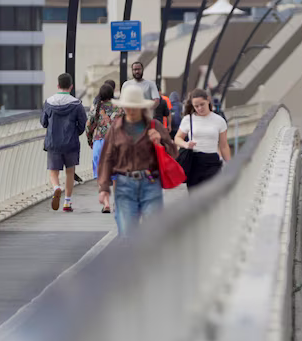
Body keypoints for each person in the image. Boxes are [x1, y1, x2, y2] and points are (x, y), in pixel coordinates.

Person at [97, 84, 177, 236]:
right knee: (127, 233)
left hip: (150, 183)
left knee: (153, 233)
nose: (131, 111)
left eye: (134, 107)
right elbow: (107, 158)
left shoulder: (154, 126)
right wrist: (104, 188)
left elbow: (173, 152)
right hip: (124, 184)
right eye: (127, 107)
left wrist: (160, 142)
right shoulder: (116, 128)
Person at [41, 73, 87, 212]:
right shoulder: (77, 104)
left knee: (53, 172)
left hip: (53, 142)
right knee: (70, 172)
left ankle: (56, 187)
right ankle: (67, 202)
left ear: (58, 85)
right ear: (71, 86)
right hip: (71, 143)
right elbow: (82, 124)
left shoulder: (49, 102)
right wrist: (75, 133)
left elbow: (43, 122)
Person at [174, 89, 231, 189]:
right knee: (195, 196)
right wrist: (186, 144)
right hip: (194, 161)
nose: (200, 108)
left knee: (214, 194)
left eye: (202, 104)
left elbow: (224, 145)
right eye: (196, 106)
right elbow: (177, 138)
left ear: (208, 100)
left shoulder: (219, 120)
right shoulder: (188, 119)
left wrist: (230, 164)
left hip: (212, 161)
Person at [85, 83, 123, 212]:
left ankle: (106, 203)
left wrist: (90, 141)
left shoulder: (96, 107)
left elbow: (88, 127)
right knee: (116, 176)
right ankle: (117, 203)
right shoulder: (119, 107)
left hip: (99, 143)